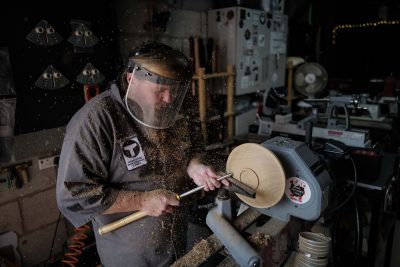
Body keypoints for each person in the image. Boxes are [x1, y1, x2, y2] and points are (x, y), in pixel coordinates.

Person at [56, 41, 229, 267]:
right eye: (160, 90)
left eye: (174, 91)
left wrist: (195, 166)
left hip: (177, 239)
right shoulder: (97, 120)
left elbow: (194, 148)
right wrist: (143, 201)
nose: (168, 99)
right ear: (132, 79)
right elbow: (73, 195)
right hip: (132, 255)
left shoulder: (174, 107)